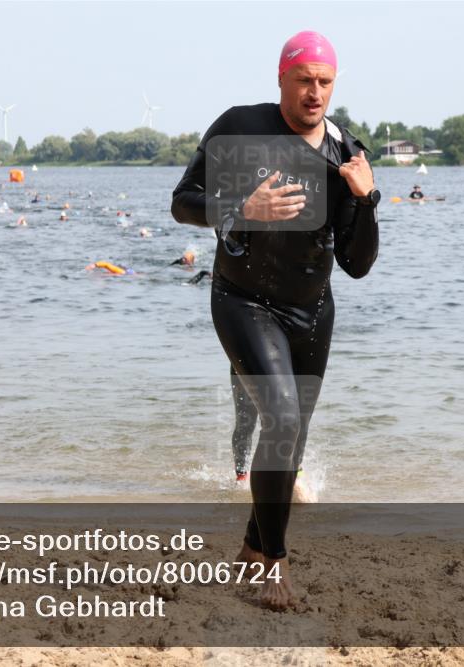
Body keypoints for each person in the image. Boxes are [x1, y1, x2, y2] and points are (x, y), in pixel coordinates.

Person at [171, 30, 378, 609]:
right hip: (241, 299)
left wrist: (365, 200)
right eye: (304, 80)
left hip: (311, 310)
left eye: (325, 83)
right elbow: (182, 201)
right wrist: (240, 208)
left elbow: (357, 265)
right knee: (282, 419)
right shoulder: (241, 127)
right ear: (282, 79)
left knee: (293, 433)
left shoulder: (346, 151)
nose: (315, 94)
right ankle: (274, 566)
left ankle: (252, 551)